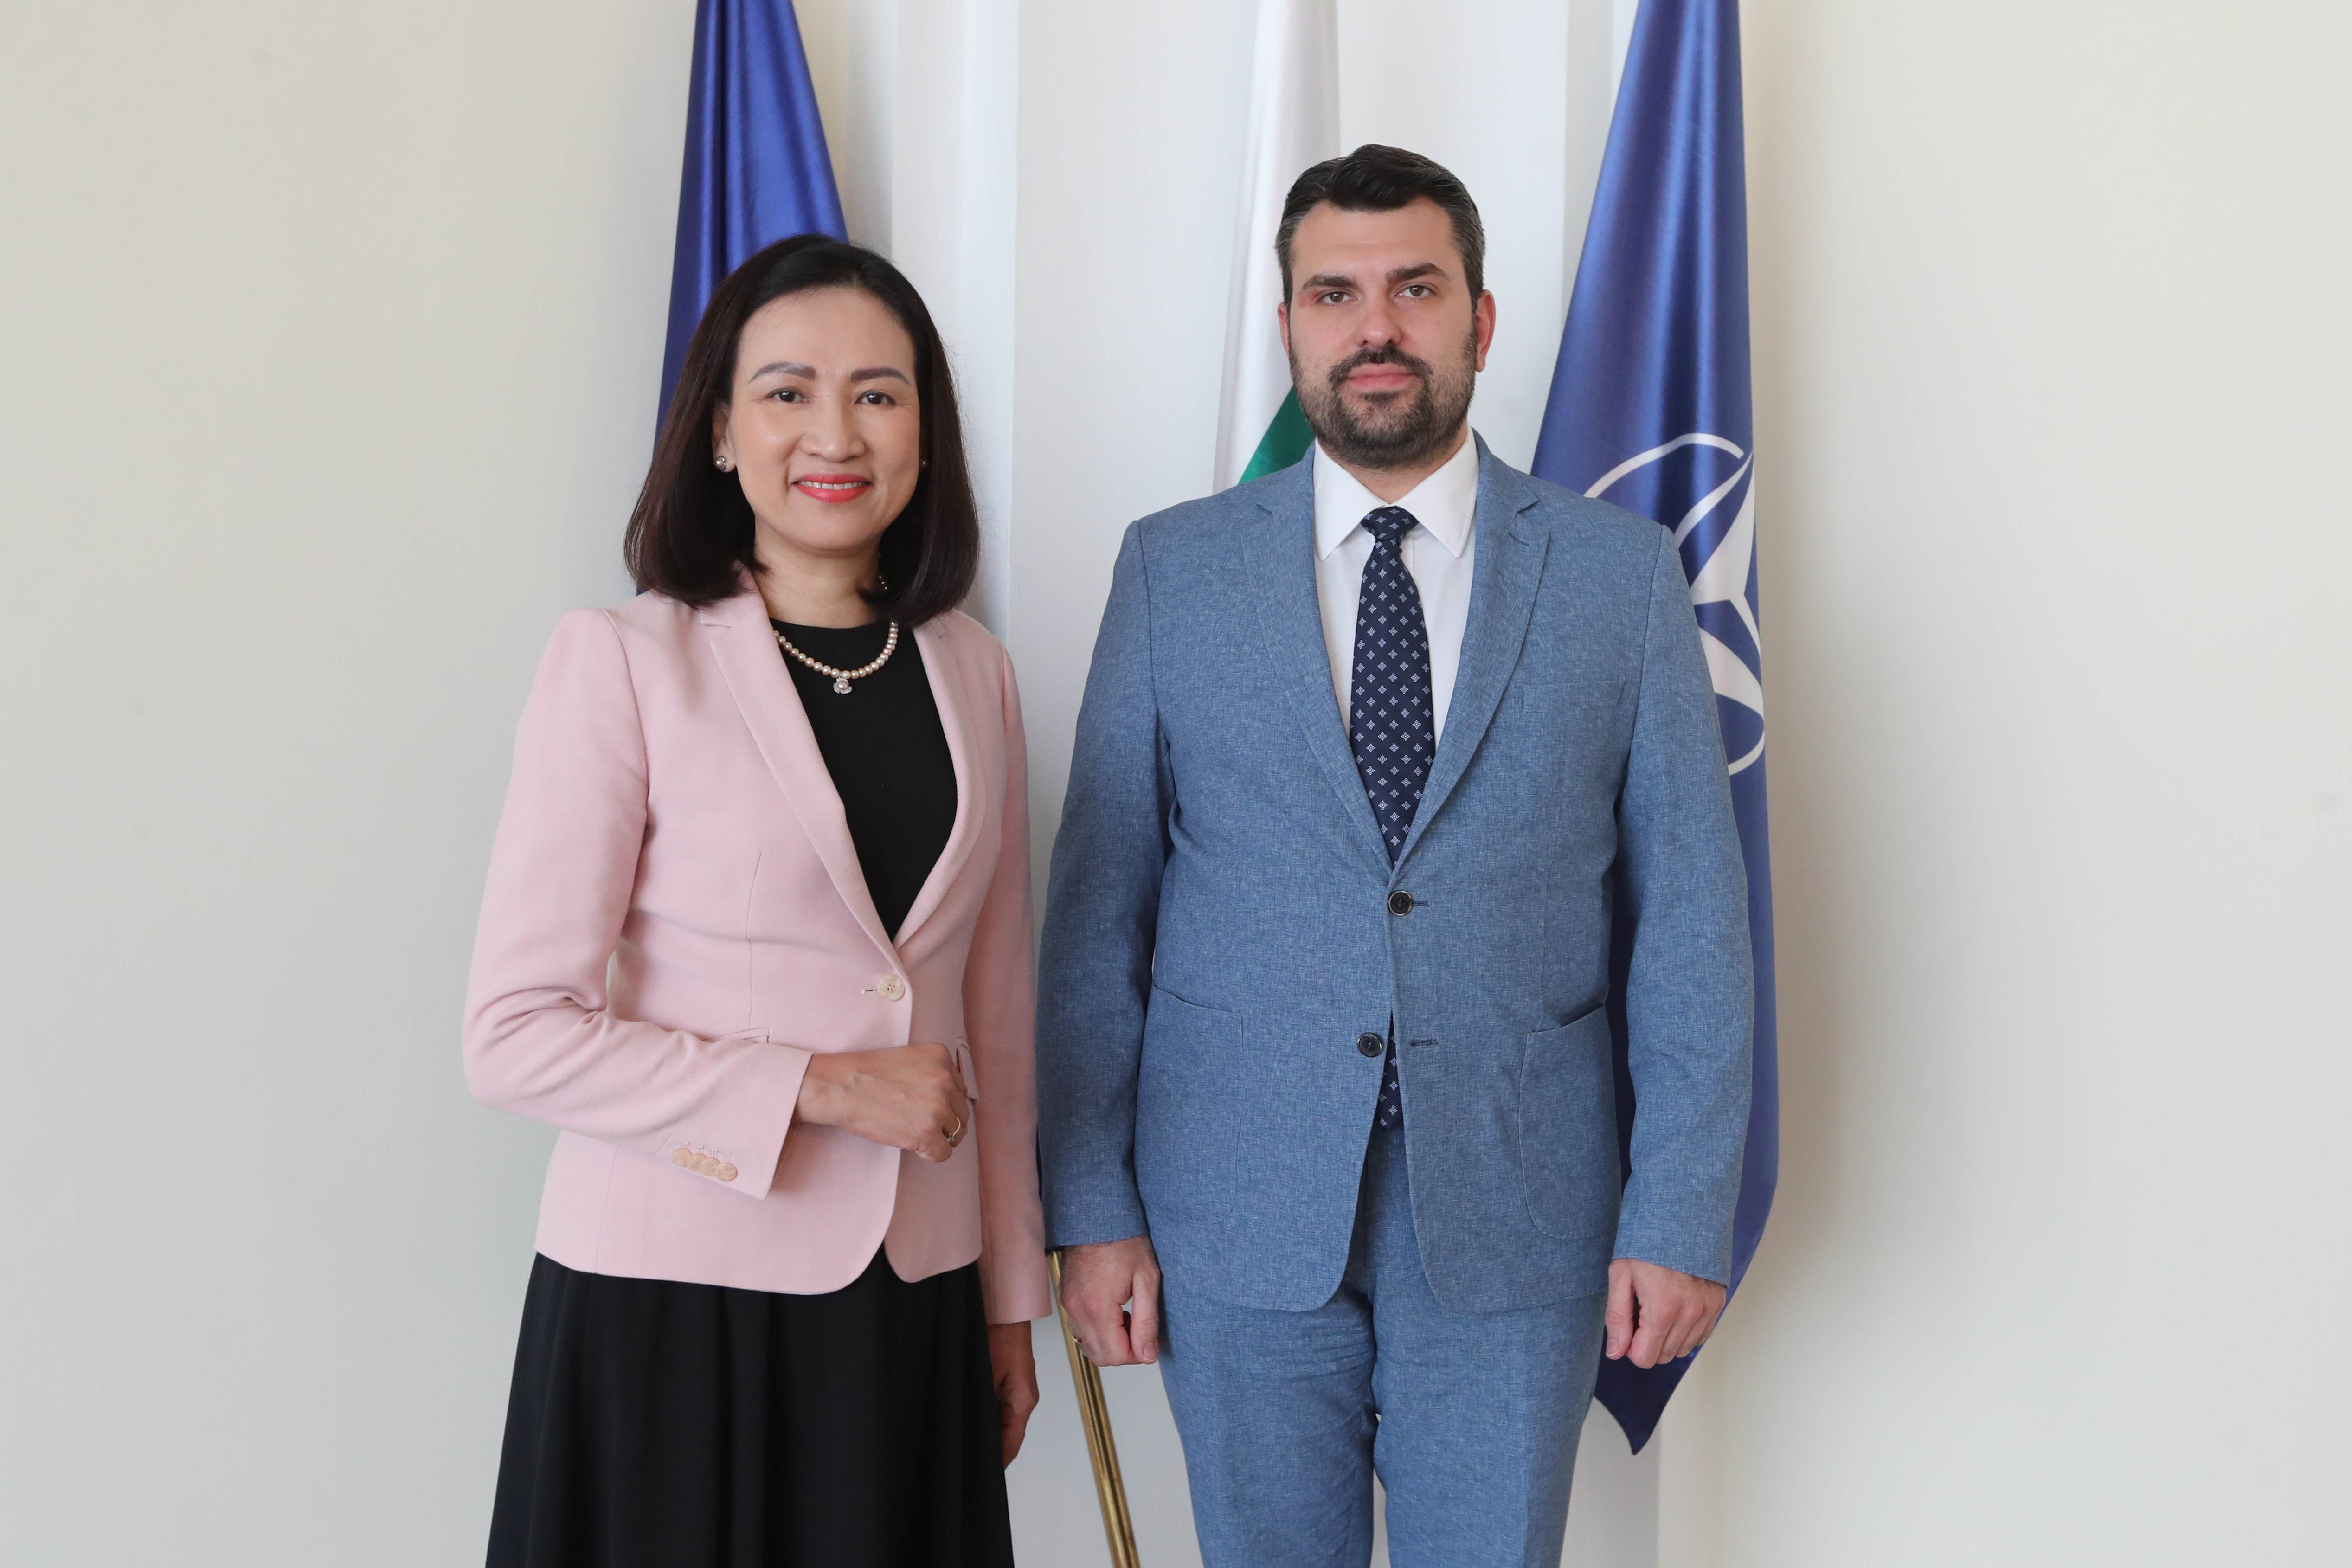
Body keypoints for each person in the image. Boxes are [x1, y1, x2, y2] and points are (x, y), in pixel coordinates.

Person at [1038, 146, 1753, 1567]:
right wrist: (1093, 1205)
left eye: (1415, 289)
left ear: (1479, 320)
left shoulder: (1618, 577)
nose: (1376, 327)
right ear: (1289, 325)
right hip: (1234, 1213)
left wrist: (1679, 1207)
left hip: (1519, 1213)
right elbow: (1097, 922)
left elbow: (1690, 919)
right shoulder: (1172, 571)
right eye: (1335, 294)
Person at [464, 235, 1049, 1568]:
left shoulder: (978, 673)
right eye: (788, 392)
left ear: (925, 435)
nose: (835, 433)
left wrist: (1008, 1295)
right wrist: (821, 1087)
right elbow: (514, 1034)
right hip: (671, 1310)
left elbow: (999, 1025)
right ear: (722, 431)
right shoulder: (622, 659)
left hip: (912, 1301)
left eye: (879, 394)